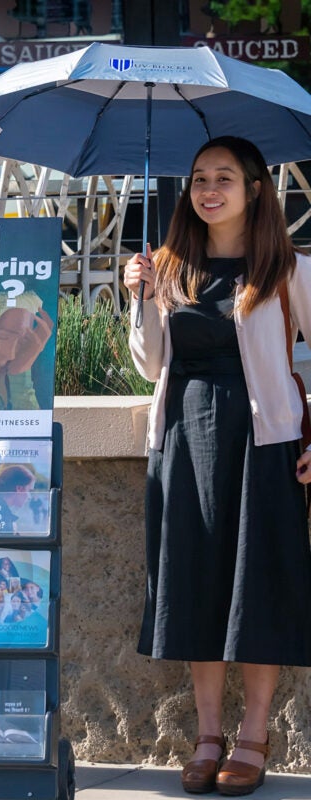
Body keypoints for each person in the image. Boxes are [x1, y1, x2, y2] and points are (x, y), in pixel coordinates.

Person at [123, 136, 311, 796]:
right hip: (182, 442)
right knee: (197, 585)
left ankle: (254, 736)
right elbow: (150, 365)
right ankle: (208, 735)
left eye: (224, 178)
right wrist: (142, 296)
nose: (209, 188)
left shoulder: (288, 267)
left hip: (264, 443)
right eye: (199, 176)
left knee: (257, 588)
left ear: (254, 189)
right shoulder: (171, 268)